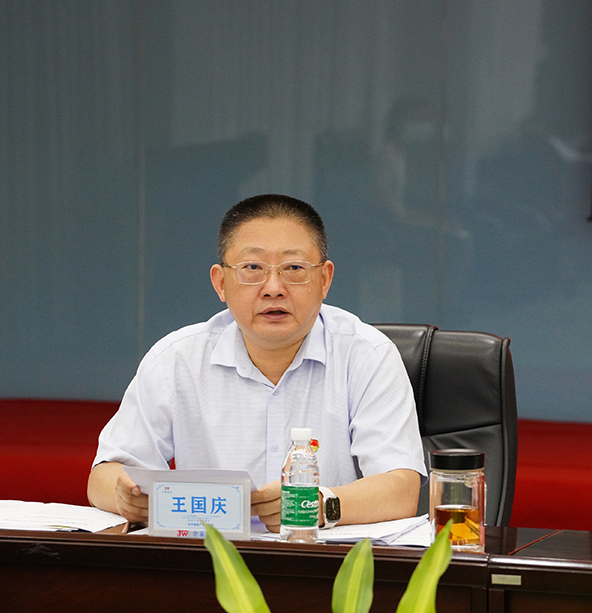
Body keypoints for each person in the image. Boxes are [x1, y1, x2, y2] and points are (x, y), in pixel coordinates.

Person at [87, 194, 426, 531]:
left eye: (294, 269)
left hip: (322, 557)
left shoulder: (367, 355)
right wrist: (126, 497)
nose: (273, 288)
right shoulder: (176, 359)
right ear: (220, 283)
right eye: (252, 268)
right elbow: (104, 475)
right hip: (212, 557)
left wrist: (316, 505)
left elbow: (400, 489)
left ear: (324, 279)